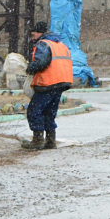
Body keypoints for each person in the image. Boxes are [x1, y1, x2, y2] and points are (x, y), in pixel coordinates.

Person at [22, 21, 74, 150]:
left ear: (40, 33)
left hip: (48, 83)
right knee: (49, 113)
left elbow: (41, 63)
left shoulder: (43, 44)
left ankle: (37, 140)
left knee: (34, 111)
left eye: (34, 35)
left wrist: (29, 68)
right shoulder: (60, 44)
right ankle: (51, 141)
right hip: (62, 82)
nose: (33, 38)